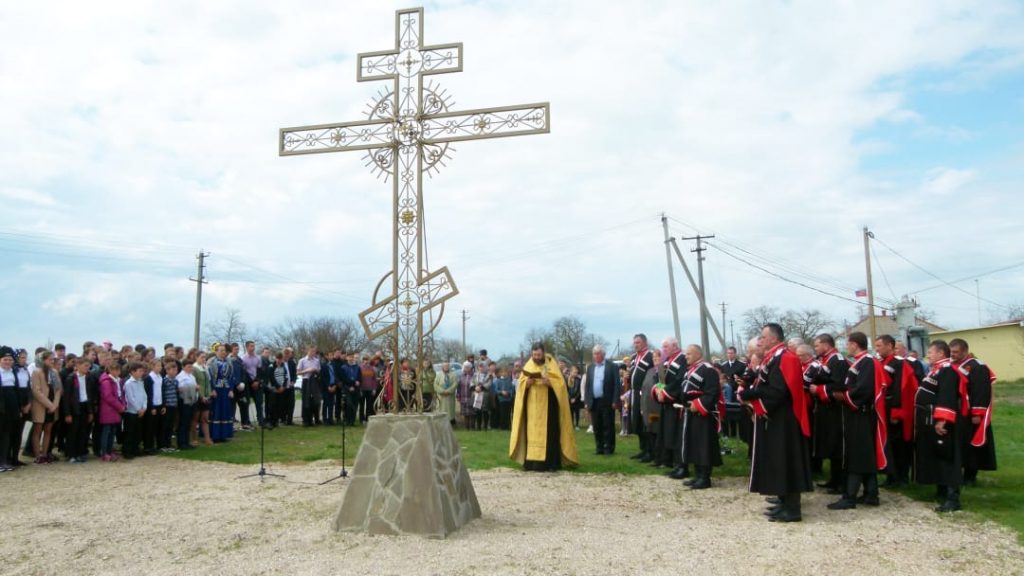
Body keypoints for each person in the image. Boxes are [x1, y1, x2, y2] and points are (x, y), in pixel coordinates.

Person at [739, 323, 812, 523]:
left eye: (763, 337)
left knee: (786, 460)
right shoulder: (774, 358)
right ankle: (783, 501)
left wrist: (755, 401)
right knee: (778, 460)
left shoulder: (785, 358)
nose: (760, 341)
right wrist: (750, 392)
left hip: (784, 419)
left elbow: (779, 391)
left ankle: (792, 508)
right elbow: (767, 385)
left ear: (773, 338)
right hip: (777, 418)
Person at [825, 332, 887, 510]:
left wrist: (844, 396)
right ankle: (871, 494)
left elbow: (864, 390)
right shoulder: (860, 362)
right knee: (865, 454)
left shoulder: (867, 362)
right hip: (856, 415)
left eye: (848, 344)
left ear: (854, 344)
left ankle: (849, 496)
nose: (847, 347)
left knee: (857, 454)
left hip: (861, 414)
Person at [509, 343, 578, 471]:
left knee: (550, 434)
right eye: (534, 355)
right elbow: (521, 385)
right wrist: (527, 384)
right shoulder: (529, 365)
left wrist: (550, 383)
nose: (536, 357)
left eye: (539, 355)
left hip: (549, 406)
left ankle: (551, 464)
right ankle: (531, 463)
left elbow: (561, 385)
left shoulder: (551, 365)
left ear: (543, 353)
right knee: (531, 435)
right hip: (532, 408)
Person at [914, 340, 966, 512]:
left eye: (931, 352)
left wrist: (942, 420)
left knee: (947, 456)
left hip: (942, 421)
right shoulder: (936, 371)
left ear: (941, 354)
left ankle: (953, 497)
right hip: (929, 417)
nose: (928, 355)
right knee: (937, 455)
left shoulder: (947, 371)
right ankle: (941, 489)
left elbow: (947, 396)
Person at [949, 338, 997, 486]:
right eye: (951, 352)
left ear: (964, 351)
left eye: (956, 352)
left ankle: (971, 476)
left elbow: (981, 391)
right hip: (959, 412)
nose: (953, 355)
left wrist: (977, 413)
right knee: (962, 444)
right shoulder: (952, 365)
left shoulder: (977, 367)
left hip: (971, 413)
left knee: (973, 446)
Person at [809, 333, 849, 494]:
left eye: (817, 345)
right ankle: (833, 479)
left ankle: (840, 482)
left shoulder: (837, 360)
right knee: (830, 444)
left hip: (835, 408)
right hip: (825, 409)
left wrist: (818, 389)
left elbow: (839, 384)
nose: (816, 348)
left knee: (836, 445)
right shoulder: (826, 360)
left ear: (826, 345)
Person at [875, 334, 918, 487]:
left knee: (899, 444)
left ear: (889, 346)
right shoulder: (881, 362)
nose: (877, 349)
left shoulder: (899, 363)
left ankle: (902, 477)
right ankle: (891, 475)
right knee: (889, 444)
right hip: (883, 408)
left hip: (894, 407)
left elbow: (902, 388)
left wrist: (896, 412)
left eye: (879, 346)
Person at [679, 344, 723, 489]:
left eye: (689, 354)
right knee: (694, 443)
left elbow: (712, 393)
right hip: (691, 413)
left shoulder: (708, 370)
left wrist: (698, 404)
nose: (686, 356)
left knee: (703, 445)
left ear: (698, 354)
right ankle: (698, 475)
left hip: (704, 414)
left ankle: (705, 477)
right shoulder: (690, 370)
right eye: (686, 354)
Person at [652, 337, 686, 478]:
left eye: (666, 346)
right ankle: (669, 461)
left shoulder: (681, 359)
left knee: (676, 434)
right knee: (667, 432)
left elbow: (679, 380)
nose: (663, 349)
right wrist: (659, 390)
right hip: (666, 402)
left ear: (675, 346)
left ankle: (680, 464)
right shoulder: (667, 360)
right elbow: (660, 378)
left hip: (676, 402)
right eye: (663, 347)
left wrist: (665, 393)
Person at [584, 344, 620, 456]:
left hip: (607, 400)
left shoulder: (612, 366)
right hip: (594, 401)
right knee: (597, 426)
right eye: (594, 353)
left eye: (598, 353)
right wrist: (586, 401)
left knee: (608, 425)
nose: (596, 356)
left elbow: (616, 385)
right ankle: (599, 447)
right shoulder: (590, 368)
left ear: (603, 354)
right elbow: (588, 386)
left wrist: (615, 400)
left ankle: (609, 448)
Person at [628, 334, 657, 462]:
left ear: (645, 342)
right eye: (634, 342)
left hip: (645, 394)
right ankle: (643, 449)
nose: (636, 345)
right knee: (637, 422)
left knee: (647, 422)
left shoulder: (650, 356)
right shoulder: (634, 357)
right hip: (634, 393)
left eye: (638, 342)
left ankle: (651, 451)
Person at [29, 351, 62, 464]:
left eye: (53, 359)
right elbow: (36, 391)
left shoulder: (54, 372)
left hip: (53, 405)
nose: (51, 361)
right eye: (49, 359)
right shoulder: (37, 372)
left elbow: (58, 389)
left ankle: (45, 453)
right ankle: (37, 455)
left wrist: (55, 404)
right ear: (43, 360)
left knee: (48, 430)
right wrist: (49, 404)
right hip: (41, 405)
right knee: (38, 430)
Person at [61, 357, 95, 463]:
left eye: (88, 366)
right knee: (73, 432)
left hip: (85, 406)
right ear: (78, 365)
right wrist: (67, 413)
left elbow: (89, 395)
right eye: (85, 366)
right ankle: (71, 454)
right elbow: (66, 398)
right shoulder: (71, 378)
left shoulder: (88, 378)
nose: (87, 368)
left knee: (83, 432)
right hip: (74, 407)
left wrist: (90, 411)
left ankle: (80, 453)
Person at [0, 347, 26, 472]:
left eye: (10, 360)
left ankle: (8, 459)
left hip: (12, 407)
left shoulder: (13, 372)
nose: (8, 362)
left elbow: (16, 391)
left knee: (10, 435)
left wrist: (19, 408)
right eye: (5, 359)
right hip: (2, 408)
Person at [97, 361, 125, 462]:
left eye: (118, 370)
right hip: (108, 409)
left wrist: (123, 405)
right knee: (106, 432)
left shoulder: (118, 381)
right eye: (115, 370)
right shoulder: (106, 382)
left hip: (116, 409)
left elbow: (121, 394)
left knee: (112, 432)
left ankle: (110, 451)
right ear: (110, 370)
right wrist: (119, 406)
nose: (117, 372)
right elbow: (108, 396)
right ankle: (104, 452)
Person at [207, 345, 235, 442]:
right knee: (216, 411)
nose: (223, 352)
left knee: (225, 411)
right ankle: (215, 435)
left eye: (224, 350)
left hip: (225, 390)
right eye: (221, 350)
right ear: (216, 351)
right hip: (217, 390)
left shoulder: (229, 362)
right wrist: (212, 389)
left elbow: (231, 377)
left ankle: (224, 435)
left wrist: (231, 389)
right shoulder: (211, 362)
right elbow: (209, 377)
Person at [122, 362, 148, 459]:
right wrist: (138, 409)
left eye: (142, 371)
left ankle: (135, 449)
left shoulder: (141, 381)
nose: (142, 373)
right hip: (131, 411)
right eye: (140, 371)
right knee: (130, 432)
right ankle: (127, 451)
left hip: (141, 410)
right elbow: (130, 398)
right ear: (133, 372)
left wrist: (144, 407)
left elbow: (144, 395)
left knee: (138, 432)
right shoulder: (129, 383)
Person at [297, 346, 321, 426]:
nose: (313, 353)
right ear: (307, 351)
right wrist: (307, 370)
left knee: (313, 400)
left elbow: (319, 370)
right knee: (306, 400)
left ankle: (312, 419)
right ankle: (305, 420)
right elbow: (298, 372)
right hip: (306, 380)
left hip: (314, 381)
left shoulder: (317, 361)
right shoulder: (302, 360)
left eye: (314, 351)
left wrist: (315, 370)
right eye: (311, 351)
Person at [192, 351, 213, 446]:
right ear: (196, 357)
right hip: (197, 397)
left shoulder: (206, 368)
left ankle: (207, 439)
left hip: (206, 396)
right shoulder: (194, 368)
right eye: (201, 357)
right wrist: (201, 396)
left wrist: (208, 395)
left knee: (205, 419)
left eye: (205, 357)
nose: (204, 359)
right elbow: (195, 383)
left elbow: (208, 383)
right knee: (195, 419)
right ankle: (194, 438)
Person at [176, 359, 198, 450]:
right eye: (188, 366)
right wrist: (193, 387)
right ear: (183, 367)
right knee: (183, 422)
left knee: (188, 422)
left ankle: (186, 442)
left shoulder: (192, 376)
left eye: (191, 366)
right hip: (184, 401)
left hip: (192, 400)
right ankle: (181, 443)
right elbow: (180, 388)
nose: (190, 368)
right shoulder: (180, 377)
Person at [160, 360, 181, 453]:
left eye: (176, 370)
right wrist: (163, 405)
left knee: (171, 426)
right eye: (172, 370)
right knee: (165, 425)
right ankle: (163, 444)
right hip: (167, 405)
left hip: (174, 405)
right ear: (167, 371)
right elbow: (163, 393)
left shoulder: (176, 380)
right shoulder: (165, 381)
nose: (174, 372)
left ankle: (169, 444)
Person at [358, 355, 377, 423]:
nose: (366, 361)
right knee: (362, 405)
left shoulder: (372, 369)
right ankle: (361, 419)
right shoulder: (359, 368)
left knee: (369, 405)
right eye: (365, 360)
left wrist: (374, 389)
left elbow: (374, 379)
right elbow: (358, 379)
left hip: (370, 389)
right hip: (362, 389)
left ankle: (367, 418)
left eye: (367, 360)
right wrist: (359, 389)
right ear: (362, 361)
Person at [566, 365, 582, 430]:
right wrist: (570, 398)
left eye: (576, 372)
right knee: (571, 412)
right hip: (569, 399)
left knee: (577, 412)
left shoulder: (579, 380)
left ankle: (577, 425)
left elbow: (580, 390)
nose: (575, 373)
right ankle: (571, 424)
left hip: (576, 399)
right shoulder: (567, 379)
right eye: (574, 372)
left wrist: (575, 398)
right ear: (571, 372)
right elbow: (566, 389)